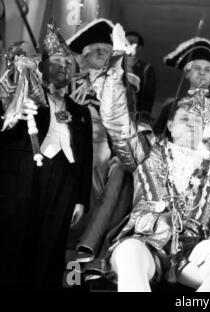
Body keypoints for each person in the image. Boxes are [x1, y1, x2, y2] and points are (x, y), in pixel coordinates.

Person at [96, 24, 210, 292]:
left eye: (198, 119)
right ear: (168, 125)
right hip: (146, 243)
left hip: (194, 252)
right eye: (184, 117)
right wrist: (117, 64)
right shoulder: (147, 152)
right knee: (129, 252)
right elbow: (116, 121)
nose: (192, 122)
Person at [0, 22, 93, 289]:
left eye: (68, 62)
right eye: (56, 60)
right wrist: (15, 98)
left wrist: (81, 199)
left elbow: (85, 159)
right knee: (16, 237)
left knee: (51, 243)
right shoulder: (23, 94)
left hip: (64, 180)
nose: (64, 66)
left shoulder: (80, 111)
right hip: (23, 176)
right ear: (41, 65)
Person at [66, 18, 134, 264]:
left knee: (97, 204)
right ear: (83, 57)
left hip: (105, 154)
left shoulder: (123, 86)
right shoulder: (70, 83)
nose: (100, 54)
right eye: (95, 50)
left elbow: (128, 125)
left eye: (106, 51)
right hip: (71, 150)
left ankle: (82, 257)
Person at [153, 37, 210, 137]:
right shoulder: (170, 107)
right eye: (197, 68)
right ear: (187, 73)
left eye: (207, 70)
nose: (202, 72)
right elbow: (157, 141)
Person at [126, 30, 157, 125]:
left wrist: (143, 118)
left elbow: (148, 96)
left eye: (131, 43)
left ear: (139, 48)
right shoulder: (110, 64)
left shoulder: (145, 68)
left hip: (131, 116)